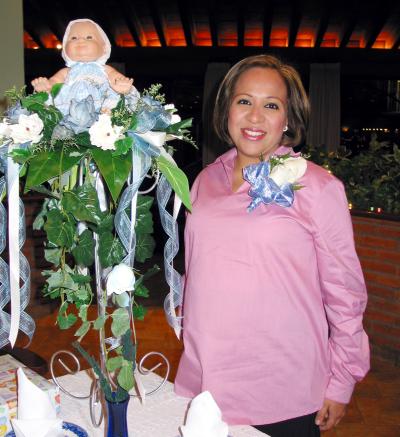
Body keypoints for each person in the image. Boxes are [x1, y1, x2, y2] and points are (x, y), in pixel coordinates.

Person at [174, 55, 370, 437]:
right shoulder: (202, 182)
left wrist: (342, 378)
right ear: (226, 108)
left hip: (281, 386)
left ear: (288, 120)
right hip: (208, 379)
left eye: (271, 105)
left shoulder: (318, 188)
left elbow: (345, 294)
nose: (255, 116)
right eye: (244, 101)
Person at [31, 18, 137, 115]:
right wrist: (47, 86)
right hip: (72, 107)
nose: (80, 40)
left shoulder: (104, 69)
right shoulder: (67, 71)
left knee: (113, 103)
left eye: (89, 37)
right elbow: (55, 81)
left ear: (104, 48)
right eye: (73, 38)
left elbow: (116, 77)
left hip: (101, 104)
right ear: (65, 49)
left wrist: (121, 84)